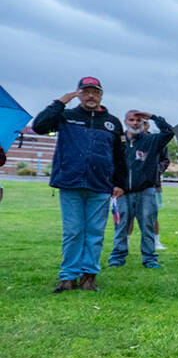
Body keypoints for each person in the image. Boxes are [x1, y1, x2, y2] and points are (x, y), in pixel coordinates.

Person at [32, 77, 127, 292]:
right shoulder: (66, 116)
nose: (91, 96)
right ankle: (68, 277)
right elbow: (39, 126)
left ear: (101, 95)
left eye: (95, 92)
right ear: (78, 94)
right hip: (70, 183)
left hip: (101, 186)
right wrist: (60, 102)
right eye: (86, 92)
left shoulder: (112, 122)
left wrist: (120, 183)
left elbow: (120, 156)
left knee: (95, 233)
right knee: (73, 231)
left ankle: (89, 277)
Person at [108, 110, 174, 269]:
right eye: (131, 120)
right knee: (121, 225)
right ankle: (117, 258)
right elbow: (109, 163)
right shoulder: (117, 141)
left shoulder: (151, 140)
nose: (135, 123)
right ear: (125, 122)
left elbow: (169, 132)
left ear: (143, 122)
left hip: (146, 191)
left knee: (147, 226)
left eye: (139, 120)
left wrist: (153, 116)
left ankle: (150, 259)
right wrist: (113, 184)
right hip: (122, 191)